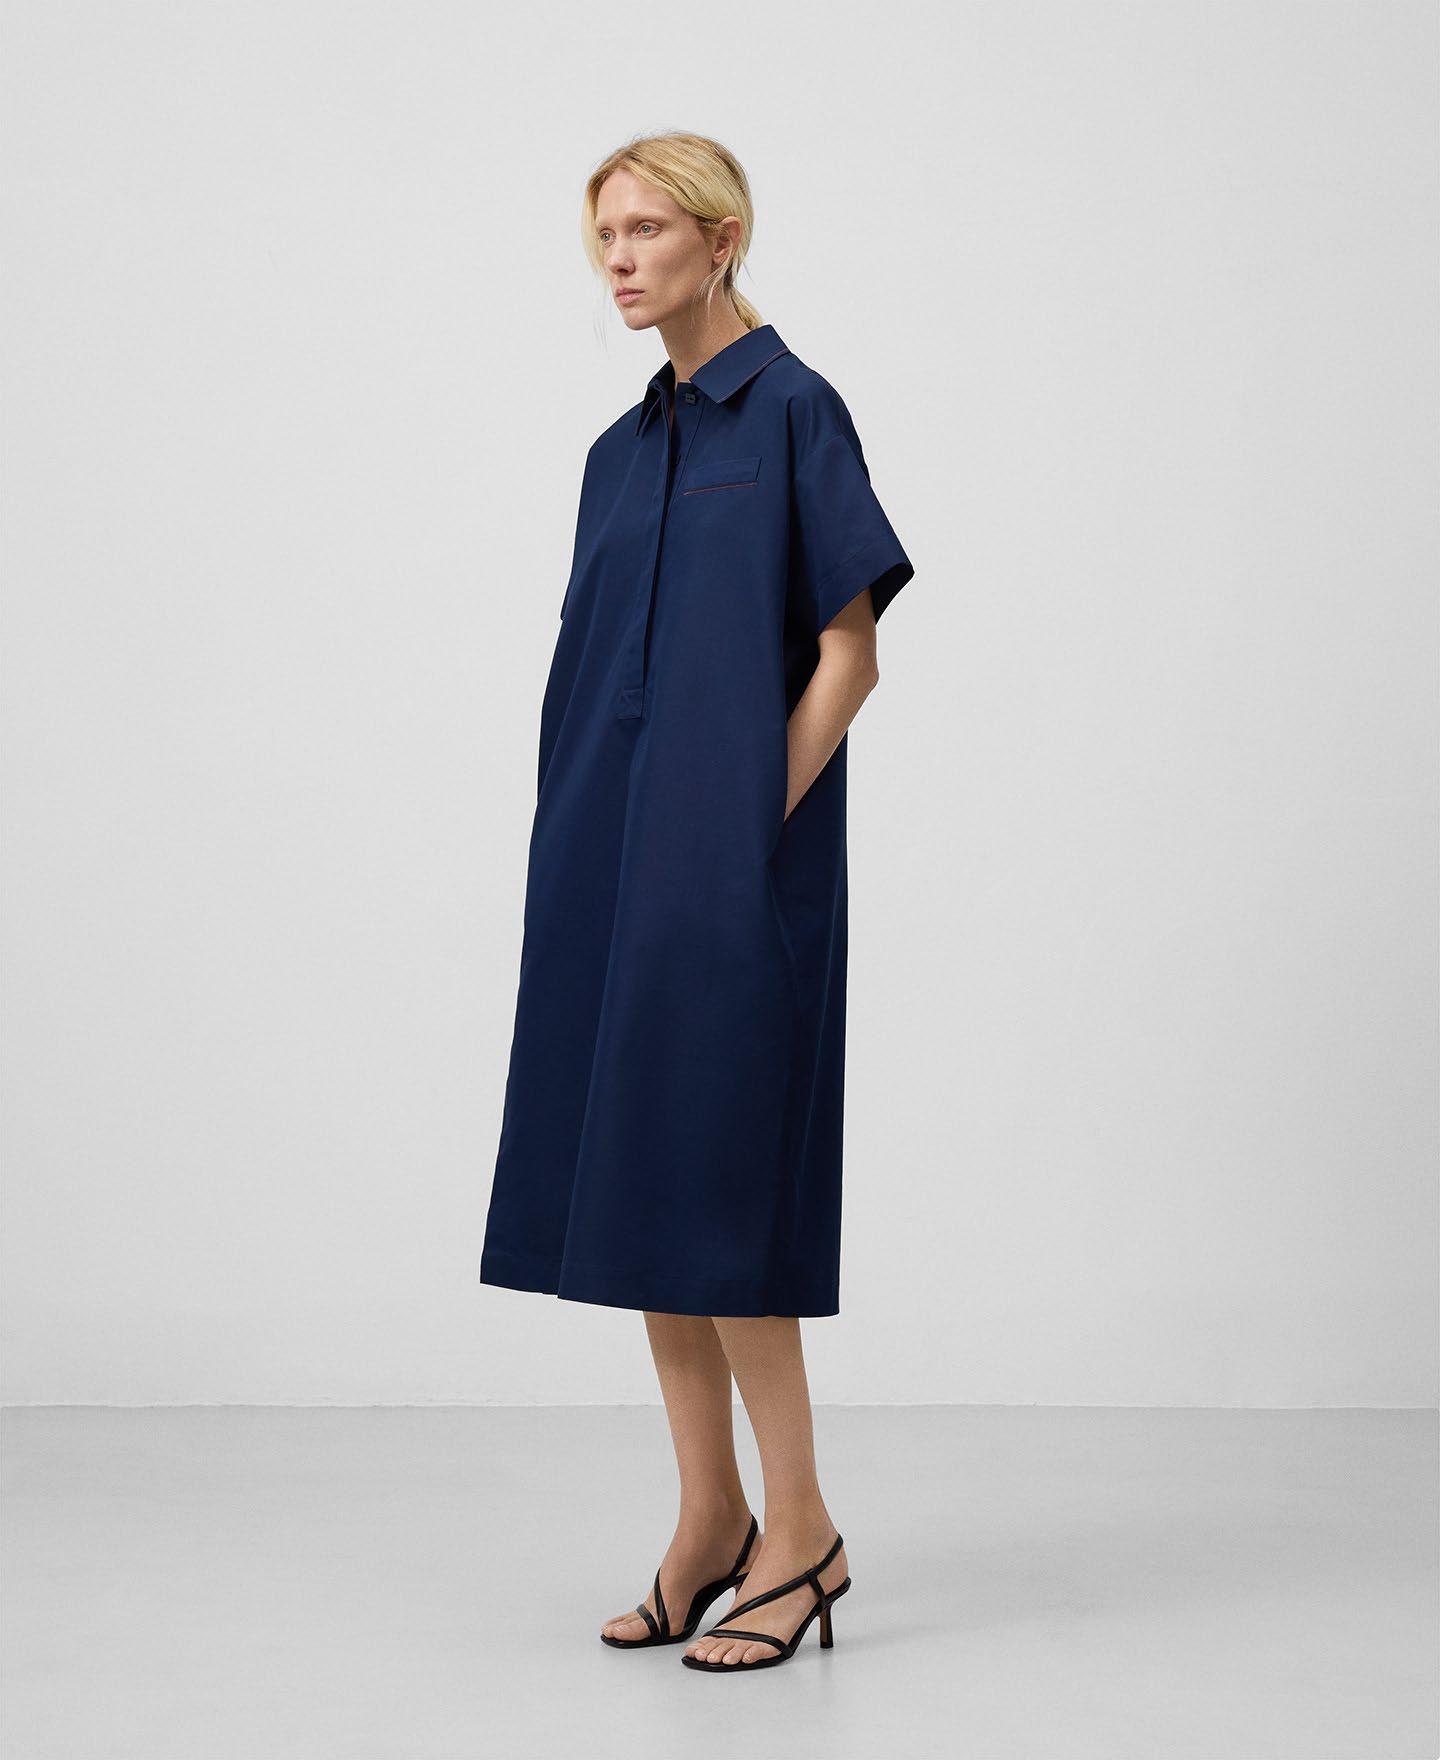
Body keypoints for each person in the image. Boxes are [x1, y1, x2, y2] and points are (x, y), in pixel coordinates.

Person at [478, 131, 915, 1672]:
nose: (620, 257)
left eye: (649, 229)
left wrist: (742, 828)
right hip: (603, 862)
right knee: (647, 1189)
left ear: (723, 240)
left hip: (731, 872)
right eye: (604, 233)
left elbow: (850, 654)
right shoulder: (617, 452)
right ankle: (709, 1518)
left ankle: (803, 1536)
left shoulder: (795, 411)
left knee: (723, 1194)